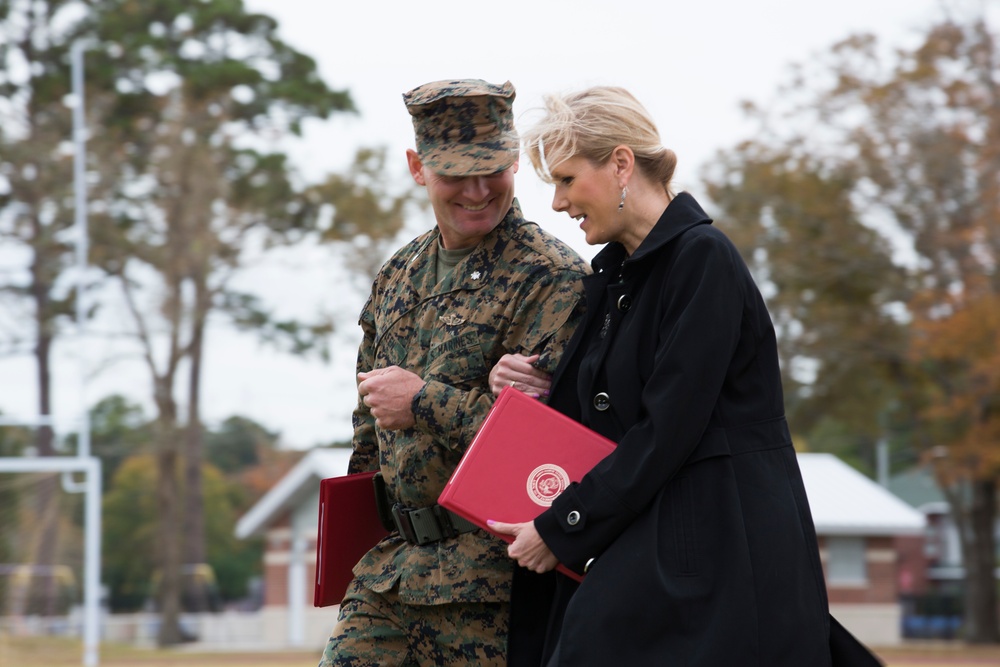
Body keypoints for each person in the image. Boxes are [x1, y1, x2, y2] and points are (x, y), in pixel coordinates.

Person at [487, 87, 882, 666]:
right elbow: (607, 410)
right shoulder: (621, 279)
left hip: (717, 552)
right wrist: (533, 387)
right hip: (659, 541)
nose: (557, 203)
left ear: (621, 164)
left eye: (567, 180)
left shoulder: (703, 259)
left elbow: (668, 426)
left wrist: (565, 525)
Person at [318, 79, 589, 667]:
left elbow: (553, 451)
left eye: (492, 169)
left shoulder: (552, 277)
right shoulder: (399, 274)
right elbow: (369, 430)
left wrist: (424, 402)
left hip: (488, 589)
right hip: (389, 575)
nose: (477, 190)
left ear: (514, 160)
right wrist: (346, 549)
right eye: (455, 173)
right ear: (418, 167)